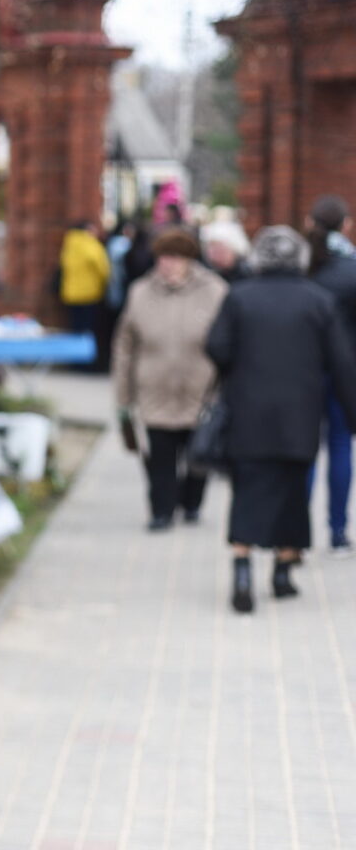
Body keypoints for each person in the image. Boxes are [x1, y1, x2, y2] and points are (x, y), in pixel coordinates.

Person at [206, 225, 356, 614]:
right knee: (292, 492)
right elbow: (342, 364)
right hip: (299, 416)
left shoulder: (239, 297)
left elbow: (216, 346)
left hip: (248, 414)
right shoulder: (319, 301)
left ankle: (242, 569)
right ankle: (283, 572)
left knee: (247, 489)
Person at [111, 228, 228, 531]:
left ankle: (191, 503)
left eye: (175, 257)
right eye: (163, 257)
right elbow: (125, 346)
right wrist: (123, 394)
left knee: (197, 456)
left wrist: (225, 388)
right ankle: (161, 511)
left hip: (200, 391)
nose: (168, 264)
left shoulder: (214, 290)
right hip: (155, 390)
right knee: (160, 458)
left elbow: (228, 340)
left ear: (189, 260)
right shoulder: (140, 292)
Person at [304, 194, 356, 555]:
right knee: (340, 446)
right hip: (345, 370)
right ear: (346, 225)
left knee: (305, 447)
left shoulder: (304, 265)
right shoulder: (352, 268)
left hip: (305, 369)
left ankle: (298, 532)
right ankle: (337, 532)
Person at [58, 219, 110, 346]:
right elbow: (103, 269)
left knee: (75, 326)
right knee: (88, 329)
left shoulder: (69, 244)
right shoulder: (91, 245)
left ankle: (75, 354)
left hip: (70, 293)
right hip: (89, 293)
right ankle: (86, 354)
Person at [201, 218, 250, 283]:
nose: (216, 252)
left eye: (221, 248)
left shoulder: (247, 275)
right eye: (212, 246)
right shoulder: (204, 274)